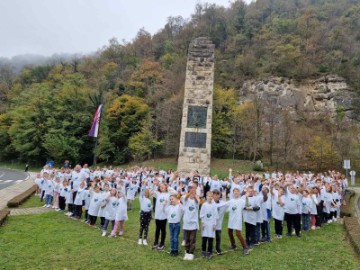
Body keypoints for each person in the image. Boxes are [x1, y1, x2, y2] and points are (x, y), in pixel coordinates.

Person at [227, 187, 249, 255]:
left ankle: (245, 247)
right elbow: (225, 206)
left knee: (238, 233)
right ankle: (233, 245)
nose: (236, 192)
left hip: (237, 219)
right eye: (234, 191)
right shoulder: (231, 201)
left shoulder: (241, 201)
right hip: (231, 219)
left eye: (237, 191)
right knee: (229, 232)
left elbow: (246, 205)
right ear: (233, 193)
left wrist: (247, 198)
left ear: (239, 193)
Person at [182, 187, 199, 261]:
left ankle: (191, 253)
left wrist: (195, 196)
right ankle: (187, 251)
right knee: (187, 238)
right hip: (187, 222)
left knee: (192, 239)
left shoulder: (196, 200)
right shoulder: (186, 200)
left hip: (193, 223)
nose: (192, 194)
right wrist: (189, 193)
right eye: (191, 193)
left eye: (194, 193)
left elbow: (197, 202)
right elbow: (184, 199)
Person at [200, 191, 218, 259]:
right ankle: (203, 250)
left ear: (212, 197)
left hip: (211, 224)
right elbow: (202, 215)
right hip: (205, 224)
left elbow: (215, 215)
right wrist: (202, 223)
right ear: (206, 197)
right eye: (208, 196)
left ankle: (209, 252)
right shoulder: (204, 205)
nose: (210, 198)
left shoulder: (214, 205)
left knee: (210, 238)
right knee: (204, 238)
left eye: (211, 196)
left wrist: (214, 224)